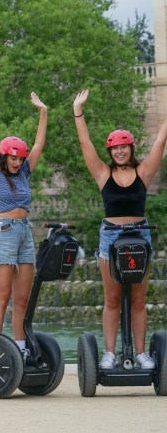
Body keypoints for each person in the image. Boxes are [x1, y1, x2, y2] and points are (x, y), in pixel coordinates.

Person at [72, 89, 167, 370]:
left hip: (140, 236)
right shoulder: (103, 174)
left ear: (131, 148)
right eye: (115, 147)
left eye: (124, 146)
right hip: (111, 238)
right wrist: (78, 110)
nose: (120, 150)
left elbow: (161, 139)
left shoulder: (144, 172)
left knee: (138, 300)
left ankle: (140, 353)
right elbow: (84, 142)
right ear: (110, 151)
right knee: (112, 298)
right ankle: (110, 353)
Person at [0, 86, 48, 359]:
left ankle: (19, 350)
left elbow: (39, 145)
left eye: (20, 158)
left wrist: (43, 112)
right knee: (2, 298)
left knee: (22, 300)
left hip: (25, 233)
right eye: (13, 158)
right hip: (3, 232)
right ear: (5, 157)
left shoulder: (25, 172)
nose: (17, 162)